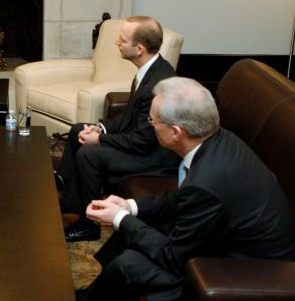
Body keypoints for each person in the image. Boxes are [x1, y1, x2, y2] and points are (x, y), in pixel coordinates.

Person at [79, 77, 295, 300]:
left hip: (246, 272)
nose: (150, 125)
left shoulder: (206, 181)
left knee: (128, 264)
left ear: (176, 132)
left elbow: (173, 257)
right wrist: (129, 206)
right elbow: (183, 197)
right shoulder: (219, 140)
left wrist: (120, 218)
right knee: (136, 223)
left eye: (152, 121)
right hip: (226, 241)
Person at [59, 16, 179, 242]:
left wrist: (99, 140)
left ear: (139, 48)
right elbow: (130, 114)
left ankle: (89, 225)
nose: (117, 42)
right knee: (77, 130)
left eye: (122, 40)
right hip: (141, 142)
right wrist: (99, 128)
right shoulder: (148, 69)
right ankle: (71, 200)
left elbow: (142, 142)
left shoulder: (157, 84)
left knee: (89, 154)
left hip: (153, 158)